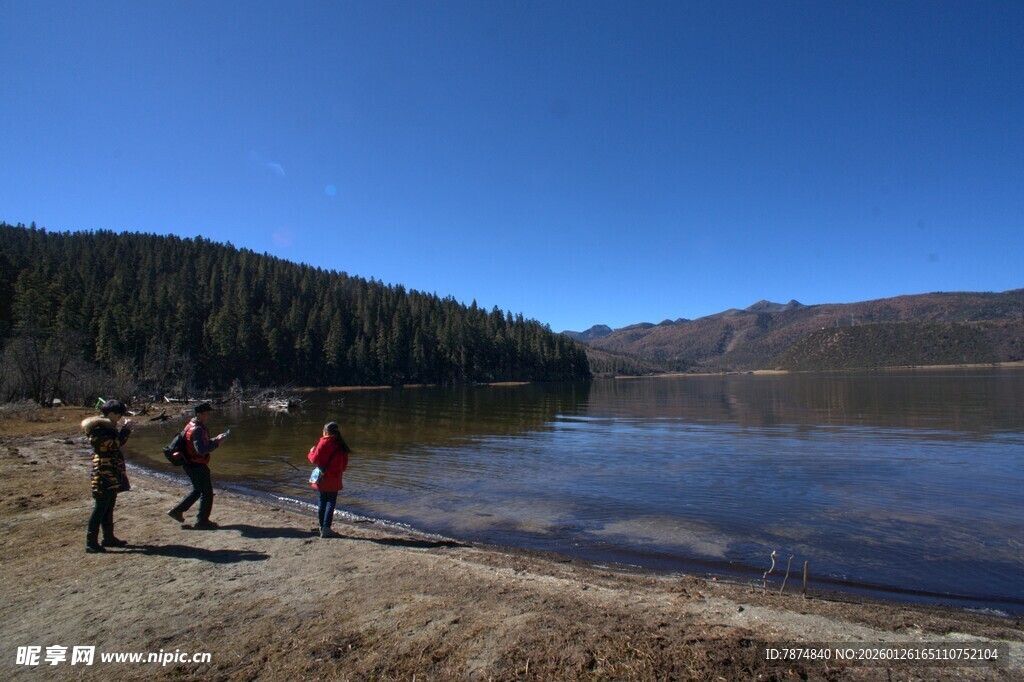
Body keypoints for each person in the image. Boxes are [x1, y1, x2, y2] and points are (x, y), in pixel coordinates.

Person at [82, 399, 134, 553]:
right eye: (119, 414)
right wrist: (126, 430)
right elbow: (114, 444)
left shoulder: (106, 427)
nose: (120, 417)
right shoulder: (99, 429)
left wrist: (123, 430)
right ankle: (91, 543)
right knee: (101, 507)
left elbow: (116, 444)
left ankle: (108, 537)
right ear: (111, 413)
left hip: (110, 471)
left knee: (109, 506)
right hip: (103, 472)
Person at [167, 402, 228, 529]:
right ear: (199, 414)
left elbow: (198, 446)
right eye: (207, 414)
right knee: (207, 493)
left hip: (189, 463)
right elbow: (201, 450)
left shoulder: (191, 425)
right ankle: (202, 521)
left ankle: (177, 511)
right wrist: (217, 443)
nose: (209, 416)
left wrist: (214, 439)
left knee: (197, 490)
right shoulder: (198, 429)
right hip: (196, 465)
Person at [307, 422, 350, 538]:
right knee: (331, 502)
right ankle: (326, 528)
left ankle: (322, 527)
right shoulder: (341, 444)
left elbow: (315, 459)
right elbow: (344, 464)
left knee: (322, 502)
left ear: (325, 432)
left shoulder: (323, 442)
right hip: (335, 478)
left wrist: (311, 452)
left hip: (323, 478)